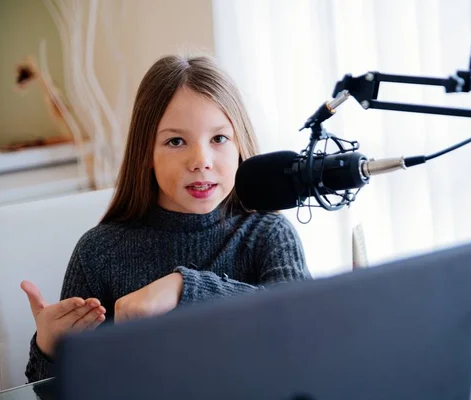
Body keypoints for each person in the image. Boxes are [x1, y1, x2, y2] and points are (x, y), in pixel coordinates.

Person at [20, 54, 311, 383]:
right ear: (145, 153)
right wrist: (49, 348)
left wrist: (186, 288)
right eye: (176, 141)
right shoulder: (98, 254)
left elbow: (300, 331)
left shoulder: (269, 235)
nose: (201, 160)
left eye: (219, 139)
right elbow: (61, 392)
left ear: (240, 144)